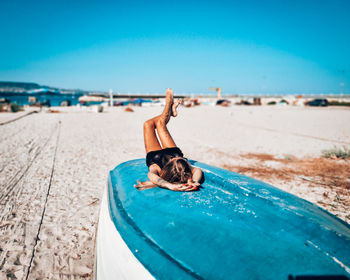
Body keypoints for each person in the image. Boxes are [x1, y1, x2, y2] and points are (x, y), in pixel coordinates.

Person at [135, 88, 203, 192]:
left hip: (155, 156)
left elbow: (152, 176)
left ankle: (170, 110)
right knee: (160, 124)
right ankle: (168, 104)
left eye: (172, 160)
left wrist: (169, 185)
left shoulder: (157, 169)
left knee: (148, 124)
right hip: (173, 151)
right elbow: (198, 170)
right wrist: (193, 181)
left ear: (167, 169)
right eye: (178, 159)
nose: (171, 158)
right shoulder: (182, 166)